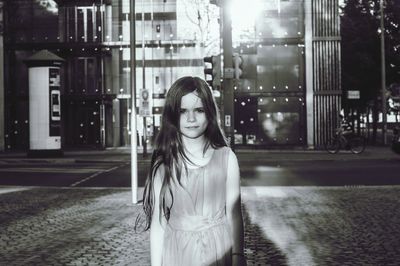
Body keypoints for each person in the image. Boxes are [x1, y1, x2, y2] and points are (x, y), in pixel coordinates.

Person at [142, 76, 246, 266]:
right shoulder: (163, 164)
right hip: (176, 254)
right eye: (183, 111)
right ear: (173, 115)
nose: (191, 119)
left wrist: (238, 257)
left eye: (198, 110)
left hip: (218, 252)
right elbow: (158, 225)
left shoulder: (227, 158)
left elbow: (234, 214)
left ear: (210, 112)